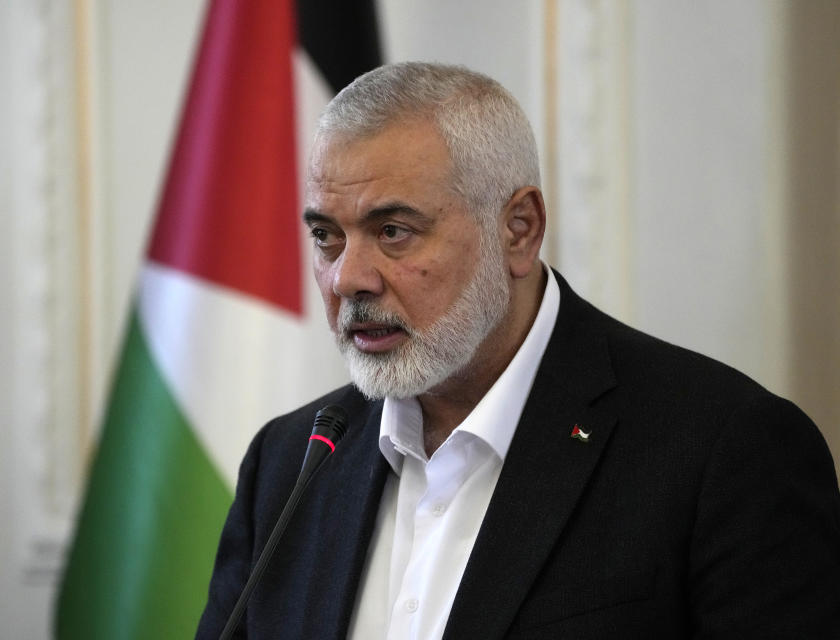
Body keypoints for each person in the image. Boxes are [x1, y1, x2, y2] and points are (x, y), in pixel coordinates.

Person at [196, 62, 840, 639]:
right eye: (327, 237)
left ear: (518, 230)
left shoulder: (723, 452)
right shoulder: (289, 466)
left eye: (393, 231)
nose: (347, 278)